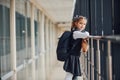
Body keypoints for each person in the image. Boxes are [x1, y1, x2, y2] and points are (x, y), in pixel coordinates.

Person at [63, 15, 89, 80]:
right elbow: (86, 34)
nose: (82, 25)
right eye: (80, 23)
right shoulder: (76, 33)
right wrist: (85, 33)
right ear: (76, 23)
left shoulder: (77, 32)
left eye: (84, 24)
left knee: (72, 74)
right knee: (69, 74)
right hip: (72, 57)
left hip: (74, 56)